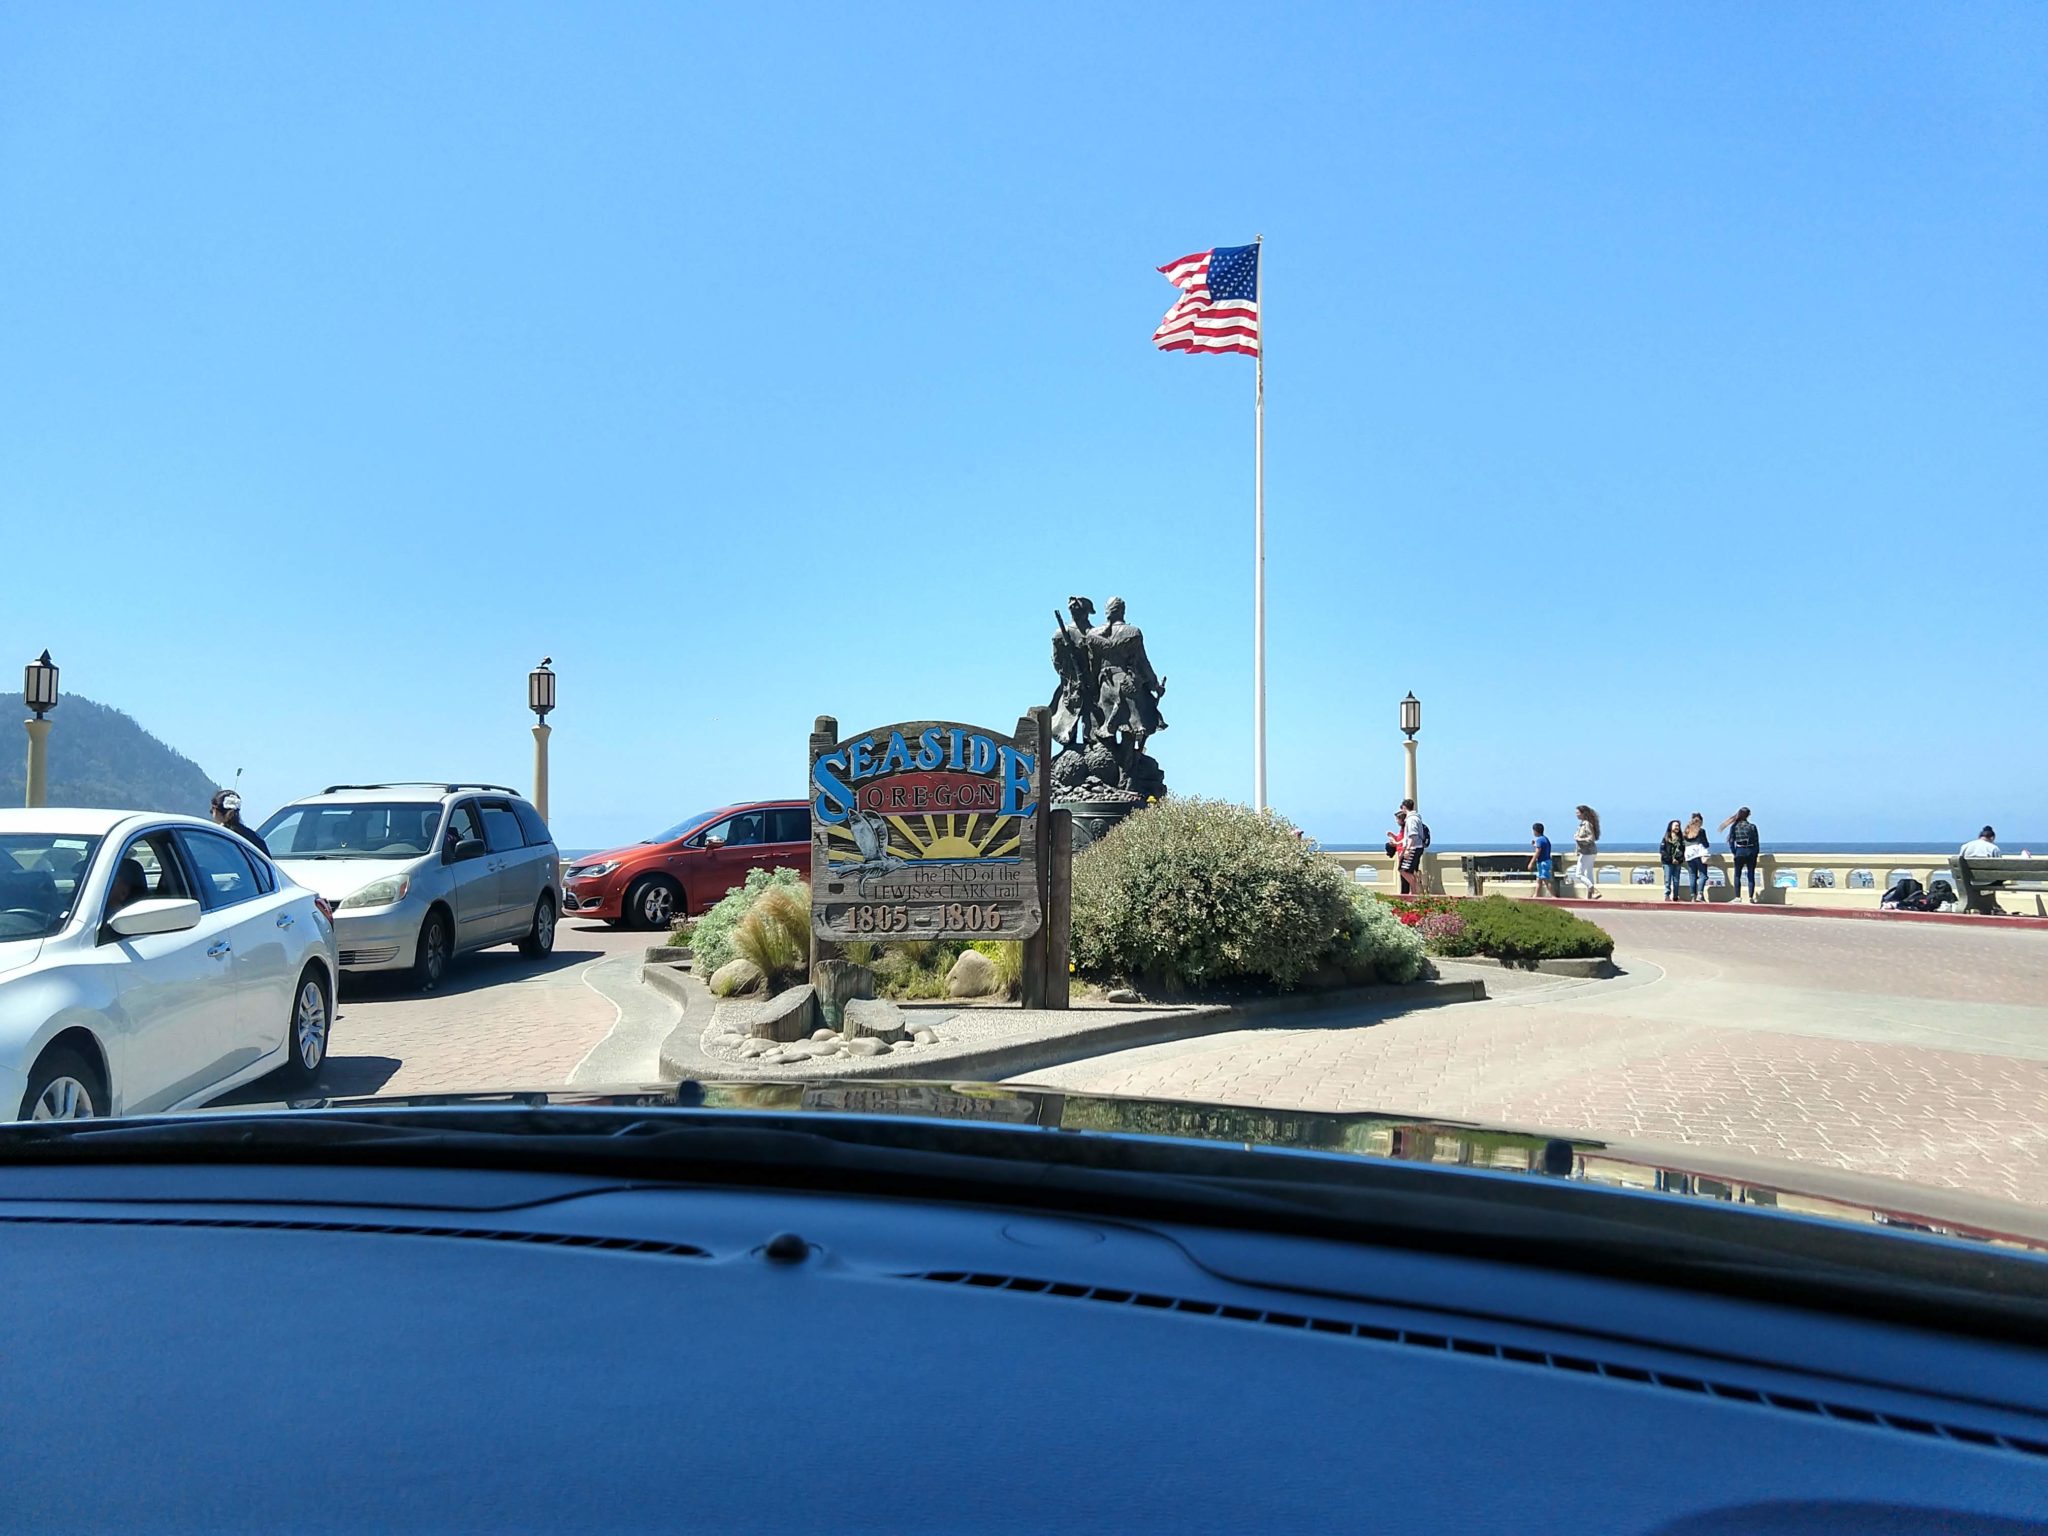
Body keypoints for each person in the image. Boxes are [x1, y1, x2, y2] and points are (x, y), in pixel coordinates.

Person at [211, 789, 270, 857]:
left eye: (213, 809)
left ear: (229, 814)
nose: (211, 812)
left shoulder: (219, 835)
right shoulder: (253, 837)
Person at [1720, 807, 1761, 903]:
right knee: (1751, 875)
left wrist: (1734, 851)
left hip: (1740, 851)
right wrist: (1755, 852)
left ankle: (1738, 897)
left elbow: (1731, 841)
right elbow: (1756, 841)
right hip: (1750, 850)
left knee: (1737, 875)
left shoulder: (1735, 826)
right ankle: (1751, 897)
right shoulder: (1752, 827)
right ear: (1748, 815)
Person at [1572, 805, 1600, 899]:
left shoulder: (1586, 824)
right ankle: (1590, 895)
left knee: (1578, 874)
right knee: (1589, 873)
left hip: (1587, 852)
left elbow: (1591, 838)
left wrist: (1579, 839)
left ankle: (1593, 889)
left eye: (1578, 813)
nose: (1576, 815)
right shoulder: (1583, 824)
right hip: (1590, 851)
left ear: (1583, 813)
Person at [1682, 812, 1710, 901]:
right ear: (1700, 821)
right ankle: (1700, 894)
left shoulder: (1686, 831)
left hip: (1689, 854)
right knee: (1703, 875)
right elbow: (1706, 844)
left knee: (1692, 875)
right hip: (1699, 853)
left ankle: (1693, 896)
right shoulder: (1701, 831)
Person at [1659, 819, 1687, 902]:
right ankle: (1667, 895)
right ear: (1671, 827)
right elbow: (1662, 851)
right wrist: (1671, 859)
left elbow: (1683, 850)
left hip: (1677, 863)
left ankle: (1675, 896)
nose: (1677, 827)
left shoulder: (1681, 839)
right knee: (1667, 879)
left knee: (1676, 880)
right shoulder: (1666, 839)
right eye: (1675, 826)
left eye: (1678, 826)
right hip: (1667, 862)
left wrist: (1679, 859)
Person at [1528, 822, 1554, 898]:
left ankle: (1553, 896)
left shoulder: (1539, 840)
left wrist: (1531, 863)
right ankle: (1536, 895)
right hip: (1546, 861)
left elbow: (1538, 852)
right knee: (1539, 879)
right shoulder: (1545, 839)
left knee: (1545, 880)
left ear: (1535, 831)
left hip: (1543, 862)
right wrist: (1534, 845)